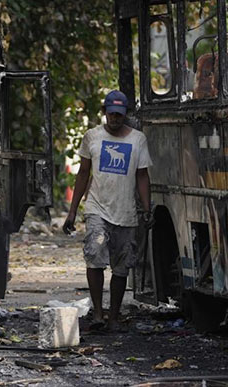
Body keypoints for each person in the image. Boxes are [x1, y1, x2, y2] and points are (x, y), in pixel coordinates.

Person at [62, 90, 152, 331]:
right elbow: (83, 174)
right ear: (104, 113)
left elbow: (142, 176)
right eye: (111, 114)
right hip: (97, 209)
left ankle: (114, 316)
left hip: (126, 213)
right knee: (95, 258)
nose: (115, 119)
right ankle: (98, 314)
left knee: (121, 267)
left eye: (119, 115)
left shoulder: (137, 140)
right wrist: (72, 211)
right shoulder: (92, 137)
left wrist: (147, 208)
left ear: (125, 115)